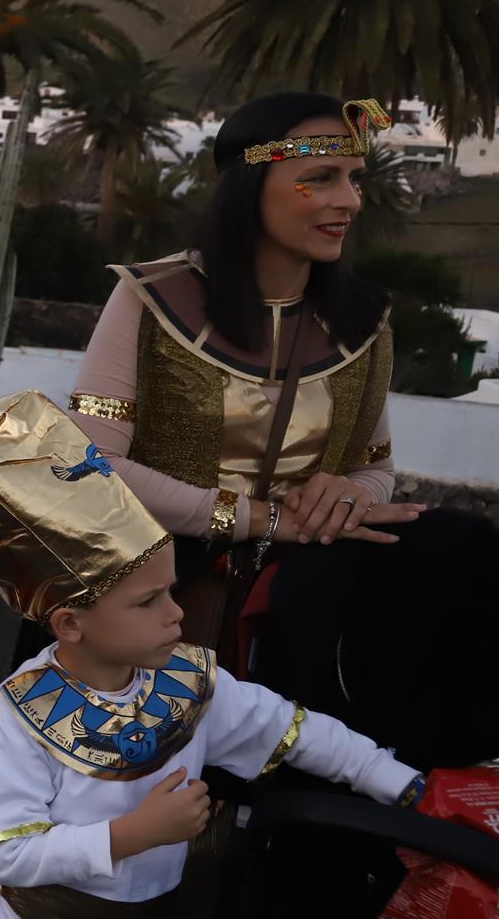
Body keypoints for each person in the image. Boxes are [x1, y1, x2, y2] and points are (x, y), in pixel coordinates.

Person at [0, 390, 424, 919]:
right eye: (148, 601)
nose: (176, 614)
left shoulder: (188, 683)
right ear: (70, 623)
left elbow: (291, 730)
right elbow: (10, 854)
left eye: (171, 591)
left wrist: (401, 784)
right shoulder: (13, 716)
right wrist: (134, 835)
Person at [62, 91, 498, 767]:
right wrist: (260, 519)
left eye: (354, 179)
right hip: (157, 601)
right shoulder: (152, 299)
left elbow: (373, 466)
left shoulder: (364, 323)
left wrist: (347, 495)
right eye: (319, 178)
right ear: (249, 183)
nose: (348, 201)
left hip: (305, 607)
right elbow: (91, 466)